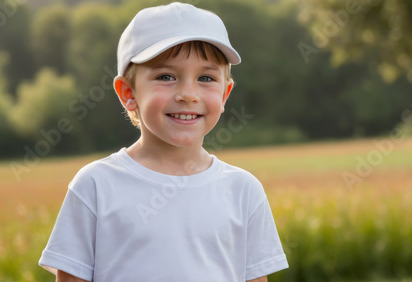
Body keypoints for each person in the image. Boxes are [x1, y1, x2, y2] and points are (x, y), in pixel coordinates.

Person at [39, 2, 288, 281]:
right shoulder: (95, 185)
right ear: (128, 93)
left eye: (205, 77)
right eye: (166, 76)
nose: (188, 94)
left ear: (225, 94)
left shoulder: (244, 191)